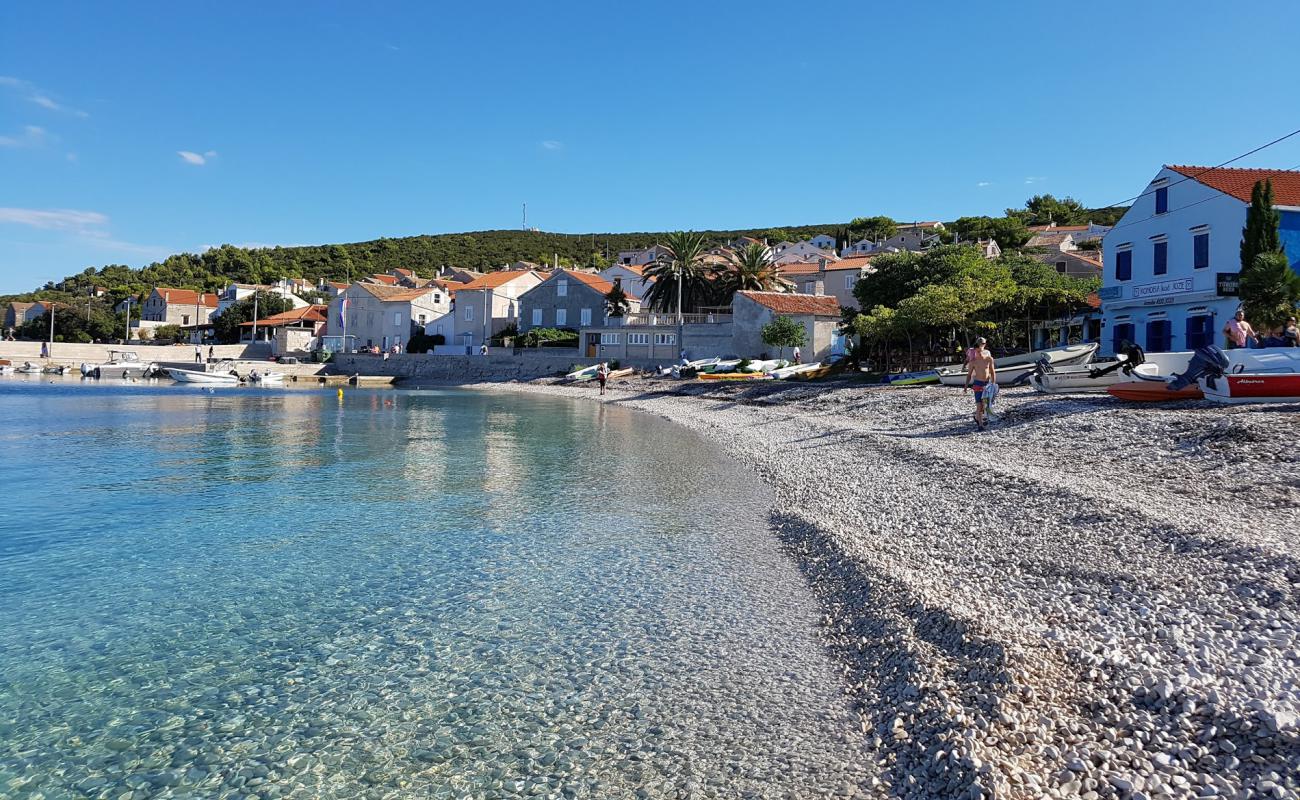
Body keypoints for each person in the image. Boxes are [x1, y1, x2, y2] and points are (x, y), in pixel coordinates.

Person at [964, 337, 996, 431]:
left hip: (987, 384)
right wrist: (966, 386)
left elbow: (993, 372)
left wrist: (993, 384)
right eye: (978, 346)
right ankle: (980, 425)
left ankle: (977, 418)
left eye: (982, 345)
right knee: (979, 405)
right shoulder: (973, 361)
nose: (979, 348)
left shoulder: (989, 359)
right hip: (977, 383)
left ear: (985, 345)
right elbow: (969, 374)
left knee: (984, 405)